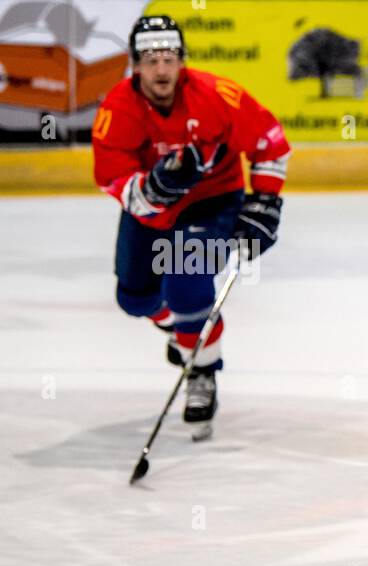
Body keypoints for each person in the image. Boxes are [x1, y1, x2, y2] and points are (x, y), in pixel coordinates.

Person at [92, 14, 290, 433]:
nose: (161, 69)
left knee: (186, 278)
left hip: (212, 201)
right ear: (135, 65)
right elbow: (113, 179)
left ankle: (201, 371)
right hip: (153, 210)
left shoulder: (218, 96)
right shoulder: (117, 109)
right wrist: (155, 189)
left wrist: (267, 201)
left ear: (182, 61)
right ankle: (180, 331)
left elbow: (269, 141)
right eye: (150, 59)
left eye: (169, 58)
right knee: (135, 298)